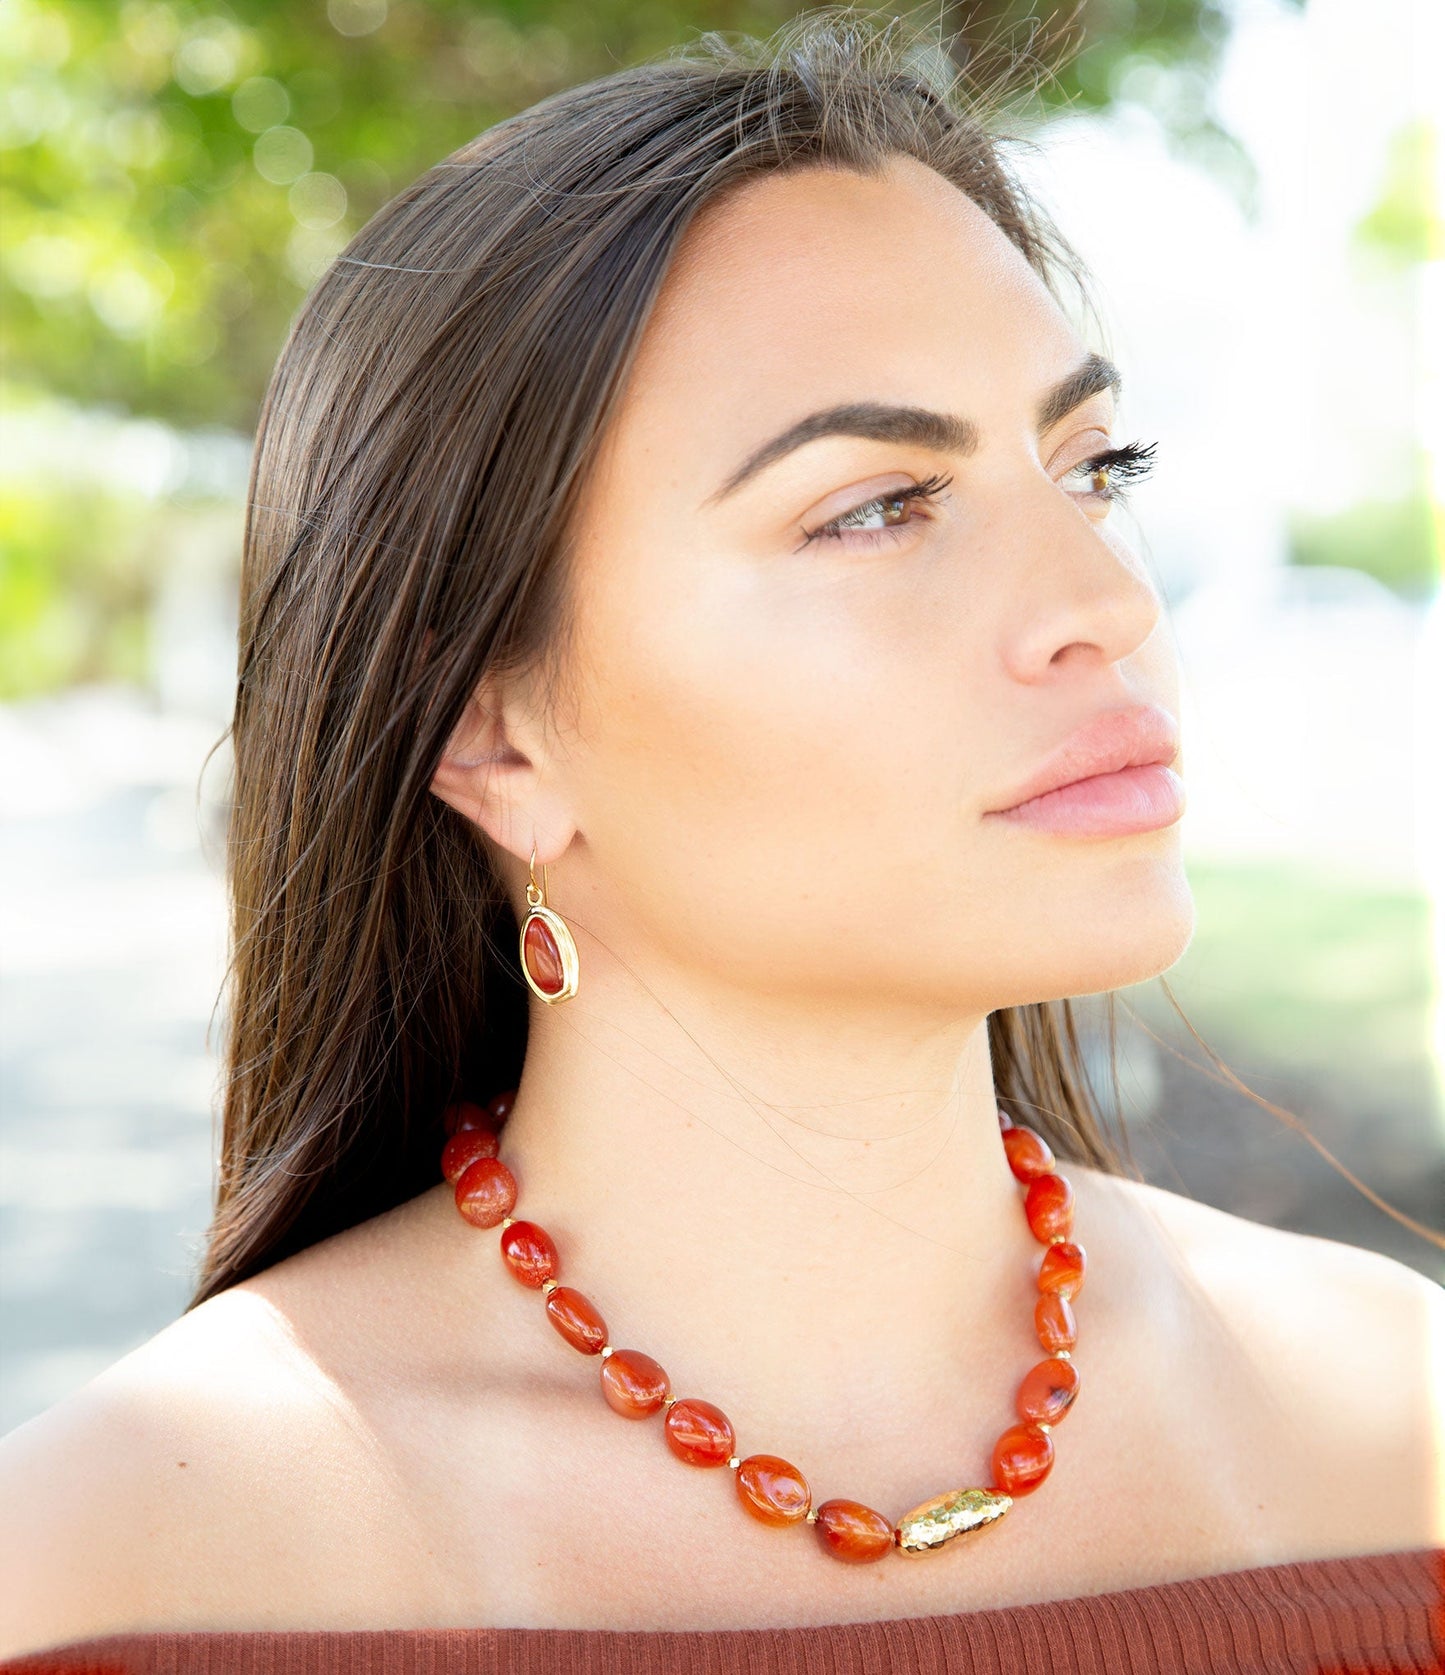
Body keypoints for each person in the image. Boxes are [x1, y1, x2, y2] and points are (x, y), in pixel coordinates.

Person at [0, 9, 1439, 1671]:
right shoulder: (116, 1567)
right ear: (494, 735)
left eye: (1090, 465)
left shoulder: (1397, 1425)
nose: (1105, 607)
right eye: (876, 507)